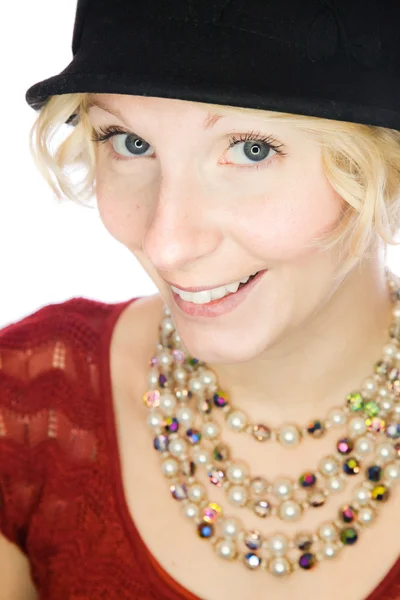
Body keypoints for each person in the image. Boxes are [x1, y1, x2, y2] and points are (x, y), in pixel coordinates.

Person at [1, 0, 400, 598]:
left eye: (252, 149)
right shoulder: (27, 408)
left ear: (383, 164)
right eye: (129, 142)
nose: (168, 242)